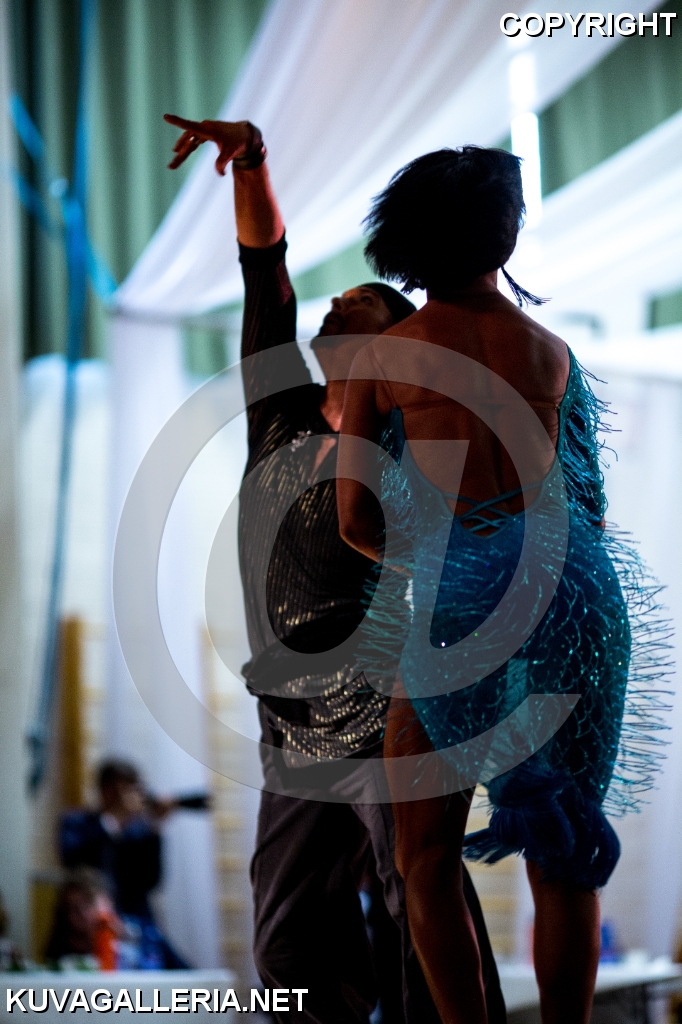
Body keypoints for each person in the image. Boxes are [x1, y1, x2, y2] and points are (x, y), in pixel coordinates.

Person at [165, 116, 506, 1024]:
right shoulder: (279, 412)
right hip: (290, 726)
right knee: (287, 948)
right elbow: (266, 278)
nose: (334, 308)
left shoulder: (408, 443)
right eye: (335, 302)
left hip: (382, 708)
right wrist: (251, 166)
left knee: (421, 908)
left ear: (399, 342)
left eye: (358, 305)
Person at [337, 147, 667, 1024]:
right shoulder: (552, 352)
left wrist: (452, 563)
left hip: (460, 603)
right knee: (565, 856)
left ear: (408, 240)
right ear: (505, 235)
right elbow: (590, 508)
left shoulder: (388, 355)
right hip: (579, 598)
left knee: (424, 857)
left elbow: (357, 522)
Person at [59, 759, 188, 969]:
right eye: (124, 790)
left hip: (136, 926)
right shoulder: (76, 823)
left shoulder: (139, 831)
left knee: (187, 975)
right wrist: (115, 819)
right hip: (86, 929)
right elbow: (74, 861)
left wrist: (154, 826)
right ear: (106, 790)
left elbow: (151, 881)